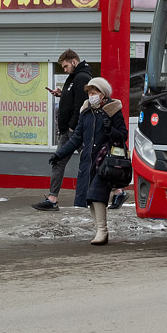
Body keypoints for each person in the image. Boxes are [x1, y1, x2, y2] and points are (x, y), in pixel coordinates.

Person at [51, 77, 129, 245]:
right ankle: (99, 230)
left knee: (96, 195)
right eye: (89, 93)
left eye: (94, 93)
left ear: (103, 94)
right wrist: (60, 154)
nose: (91, 96)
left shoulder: (113, 110)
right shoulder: (86, 111)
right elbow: (76, 137)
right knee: (90, 198)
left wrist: (110, 129)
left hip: (105, 161)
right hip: (88, 161)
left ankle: (102, 231)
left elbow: (123, 136)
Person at [32, 49, 94, 212]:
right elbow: (72, 98)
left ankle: (117, 190)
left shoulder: (82, 78)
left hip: (75, 130)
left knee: (93, 161)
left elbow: (81, 104)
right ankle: (52, 199)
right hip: (68, 130)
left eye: (66, 66)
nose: (64, 69)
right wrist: (61, 95)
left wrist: (74, 127)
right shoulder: (74, 78)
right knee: (58, 161)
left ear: (74, 61)